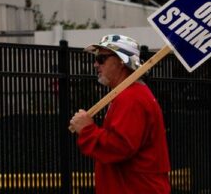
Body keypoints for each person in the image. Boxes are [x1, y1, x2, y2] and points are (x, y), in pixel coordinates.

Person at [69, 34, 171, 193]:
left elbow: (120, 147)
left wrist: (87, 130)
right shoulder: (129, 95)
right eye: (95, 59)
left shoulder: (131, 98)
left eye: (101, 58)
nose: (96, 64)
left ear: (121, 61)